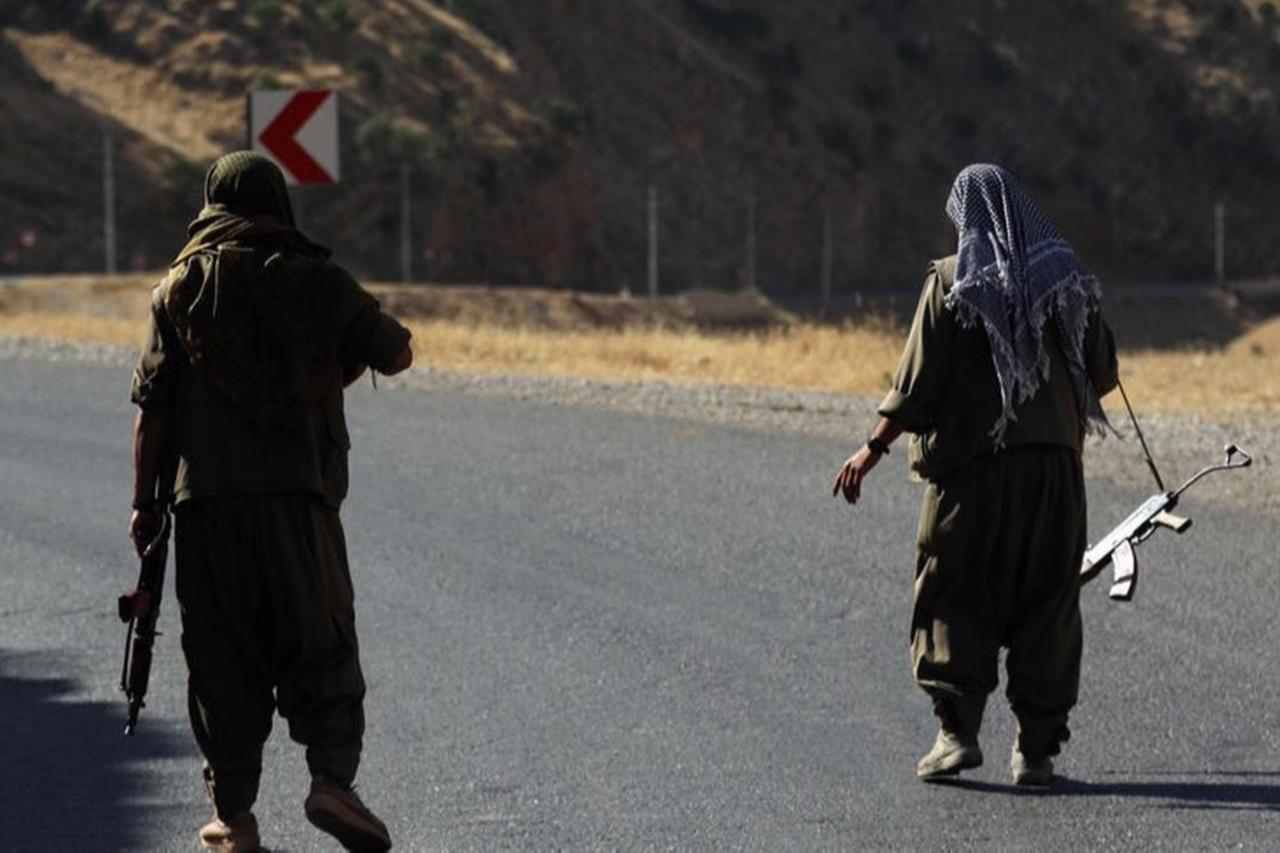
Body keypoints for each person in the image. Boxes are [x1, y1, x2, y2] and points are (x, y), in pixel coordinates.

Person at [129, 151, 412, 851]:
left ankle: (235, 815)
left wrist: (144, 505)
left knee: (220, 661)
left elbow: (152, 411)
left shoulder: (177, 290)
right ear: (278, 204)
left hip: (207, 512)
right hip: (300, 506)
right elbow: (396, 352)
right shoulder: (321, 281)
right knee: (323, 645)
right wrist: (326, 372)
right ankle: (331, 782)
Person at [832, 163, 1119, 787]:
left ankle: (956, 736)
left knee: (954, 590)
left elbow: (916, 387)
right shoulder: (1069, 280)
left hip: (971, 474)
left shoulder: (950, 281)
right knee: (1048, 600)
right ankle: (1036, 753)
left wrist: (870, 450)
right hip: (1054, 477)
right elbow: (1102, 377)